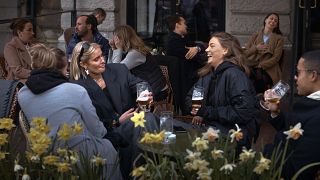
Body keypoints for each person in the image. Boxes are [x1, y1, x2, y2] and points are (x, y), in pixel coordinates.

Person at [18, 43, 122, 179]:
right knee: (108, 147)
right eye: (66, 69)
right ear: (61, 70)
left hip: (45, 155)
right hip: (79, 158)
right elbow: (98, 131)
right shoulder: (75, 90)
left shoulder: (22, 94)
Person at [69, 41, 158, 179]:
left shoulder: (118, 69)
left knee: (147, 121)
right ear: (83, 64)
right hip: (109, 133)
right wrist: (117, 121)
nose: (103, 61)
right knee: (149, 121)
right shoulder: (78, 87)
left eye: (102, 56)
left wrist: (144, 94)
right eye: (96, 59)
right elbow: (88, 123)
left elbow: (141, 83)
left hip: (136, 121)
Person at [185, 32, 260, 153]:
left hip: (232, 136)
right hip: (211, 129)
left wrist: (206, 112)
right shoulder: (207, 74)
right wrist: (198, 110)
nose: (207, 49)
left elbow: (243, 112)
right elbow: (190, 99)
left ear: (225, 50)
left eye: (212, 46)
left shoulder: (235, 75)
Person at [263, 50, 320, 180]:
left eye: (298, 72)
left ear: (313, 75)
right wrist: (275, 111)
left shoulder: (317, 117)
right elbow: (293, 128)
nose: (295, 77)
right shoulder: (310, 103)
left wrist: (267, 153)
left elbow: (298, 170)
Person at [108, 25, 168, 101]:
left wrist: (118, 49)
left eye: (115, 38)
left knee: (119, 98)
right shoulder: (131, 51)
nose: (113, 41)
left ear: (121, 39)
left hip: (156, 91)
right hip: (148, 87)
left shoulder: (135, 53)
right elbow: (110, 68)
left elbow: (116, 71)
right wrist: (113, 48)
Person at [165, 14, 206, 113]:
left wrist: (197, 48)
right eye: (184, 23)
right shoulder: (173, 41)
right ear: (177, 25)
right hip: (185, 81)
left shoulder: (182, 38)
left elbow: (200, 46)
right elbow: (194, 56)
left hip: (190, 77)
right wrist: (200, 52)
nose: (186, 26)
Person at [245, 13, 284, 94]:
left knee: (259, 76)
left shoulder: (279, 38)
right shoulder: (255, 35)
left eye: (275, 21)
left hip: (269, 69)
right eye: (271, 18)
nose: (273, 21)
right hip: (253, 65)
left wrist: (261, 65)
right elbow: (245, 53)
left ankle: (260, 99)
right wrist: (256, 48)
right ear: (265, 20)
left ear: (276, 25)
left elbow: (276, 58)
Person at [4, 18, 34, 83]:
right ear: (19, 33)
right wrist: (38, 74)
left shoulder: (33, 46)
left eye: (32, 30)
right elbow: (18, 71)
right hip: (16, 84)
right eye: (29, 30)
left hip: (34, 80)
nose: (33, 33)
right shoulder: (10, 47)